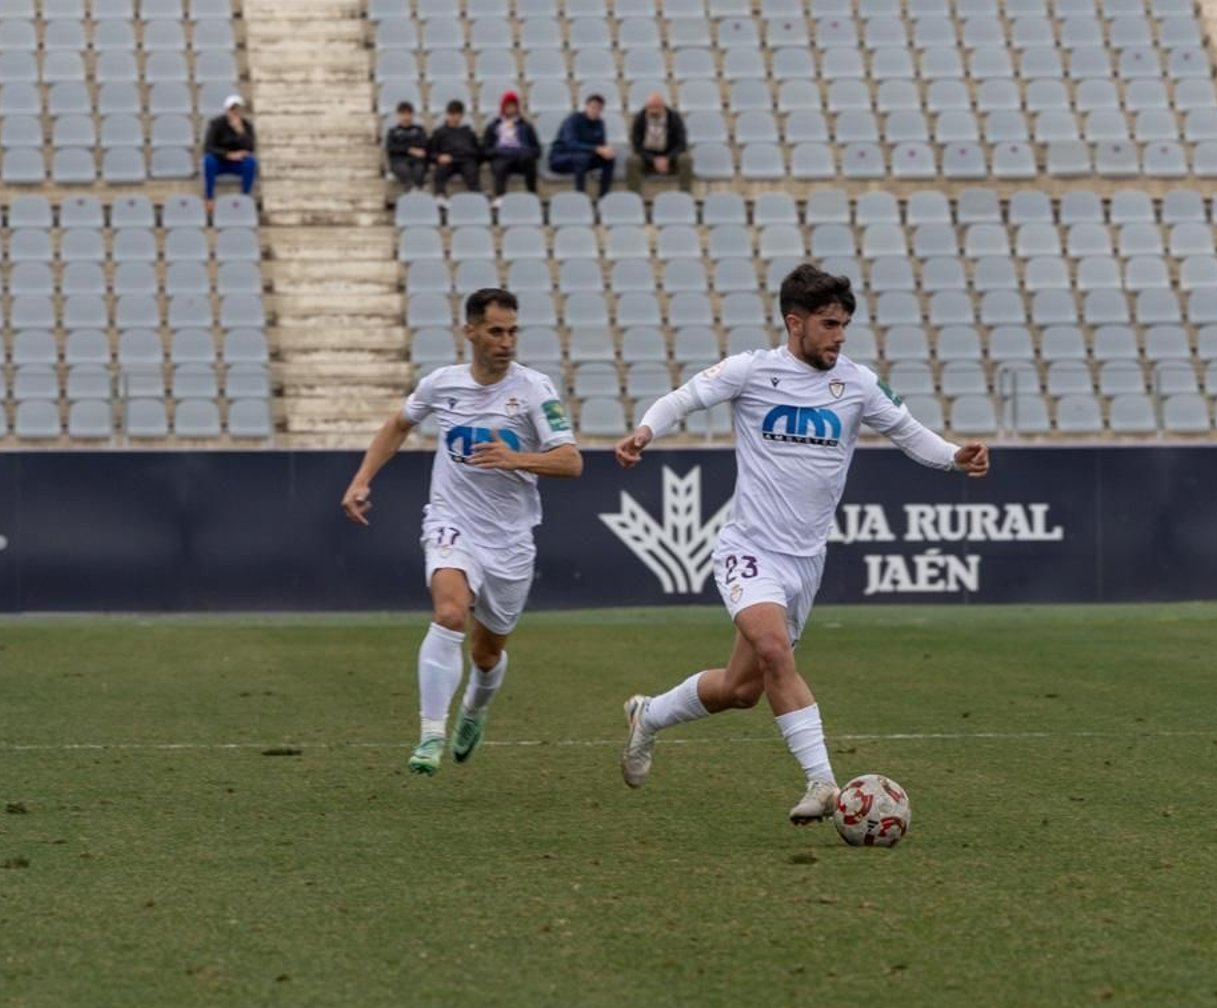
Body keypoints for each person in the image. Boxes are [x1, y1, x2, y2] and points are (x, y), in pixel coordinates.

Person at [612, 265, 991, 824]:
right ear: (796, 323)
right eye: (830, 324)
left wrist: (955, 456)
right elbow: (683, 399)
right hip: (749, 548)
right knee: (773, 650)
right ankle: (823, 782)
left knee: (742, 689)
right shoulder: (751, 371)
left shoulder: (857, 383)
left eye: (845, 325)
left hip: (805, 560)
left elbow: (910, 433)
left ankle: (649, 715)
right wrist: (645, 430)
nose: (840, 336)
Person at [341, 289, 584, 775]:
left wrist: (518, 459)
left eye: (513, 331)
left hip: (511, 541)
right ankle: (430, 735)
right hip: (452, 523)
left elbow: (572, 461)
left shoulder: (535, 390)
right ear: (470, 331)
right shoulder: (441, 385)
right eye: (496, 331)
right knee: (450, 613)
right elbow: (398, 424)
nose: (506, 341)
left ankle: (473, 709)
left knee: (487, 653)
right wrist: (362, 478)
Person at [548, 94, 615, 196]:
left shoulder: (600, 123)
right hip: (561, 158)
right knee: (581, 158)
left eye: (599, 108)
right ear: (586, 106)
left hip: (585, 159)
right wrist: (596, 149)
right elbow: (571, 144)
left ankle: (603, 196)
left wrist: (607, 150)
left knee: (609, 159)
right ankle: (581, 196)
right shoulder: (572, 120)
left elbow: (600, 145)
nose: (595, 111)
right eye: (593, 107)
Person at [627, 92, 691, 193]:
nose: (653, 110)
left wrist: (668, 159)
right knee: (632, 161)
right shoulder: (639, 118)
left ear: (663, 106)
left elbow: (681, 144)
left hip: (670, 158)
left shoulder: (674, 118)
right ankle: (634, 196)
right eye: (650, 107)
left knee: (685, 159)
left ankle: (685, 194)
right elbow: (636, 145)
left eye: (657, 107)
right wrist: (653, 159)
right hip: (647, 159)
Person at [482, 90, 542, 197]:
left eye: (513, 106)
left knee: (529, 162)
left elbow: (537, 150)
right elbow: (486, 150)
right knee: (500, 166)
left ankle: (532, 194)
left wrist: (526, 152)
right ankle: (499, 198)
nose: (511, 109)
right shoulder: (493, 126)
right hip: (502, 156)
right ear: (503, 107)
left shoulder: (526, 126)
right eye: (508, 106)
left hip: (521, 156)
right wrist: (499, 151)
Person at [202, 93, 257, 209]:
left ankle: (246, 195)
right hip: (220, 161)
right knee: (208, 161)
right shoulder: (216, 124)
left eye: (238, 109)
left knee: (250, 163)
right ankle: (209, 197)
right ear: (227, 110)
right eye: (232, 109)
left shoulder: (246, 126)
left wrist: (240, 131)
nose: (235, 112)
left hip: (237, 163)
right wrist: (227, 155)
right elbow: (208, 147)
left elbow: (250, 148)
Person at [428, 99, 481, 198]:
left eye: (456, 114)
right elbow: (431, 152)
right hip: (447, 161)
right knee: (440, 171)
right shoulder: (439, 132)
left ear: (461, 115)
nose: (453, 117)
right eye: (450, 114)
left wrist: (467, 155)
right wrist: (439, 157)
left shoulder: (468, 132)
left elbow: (477, 151)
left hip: (465, 161)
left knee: (472, 170)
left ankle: (476, 197)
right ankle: (440, 197)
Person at [386, 101, 429, 190]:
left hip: (416, 160)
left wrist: (402, 146)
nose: (406, 117)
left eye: (408, 114)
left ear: (412, 115)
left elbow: (424, 144)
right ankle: (414, 188)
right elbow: (391, 147)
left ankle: (414, 189)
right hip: (399, 161)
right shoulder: (393, 132)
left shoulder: (419, 130)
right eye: (403, 114)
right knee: (403, 169)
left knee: (419, 169)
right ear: (398, 115)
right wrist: (409, 149)